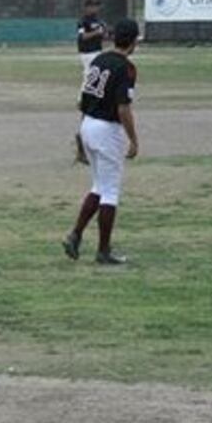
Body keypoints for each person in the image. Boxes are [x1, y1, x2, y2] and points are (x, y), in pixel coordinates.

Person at [63, 18, 141, 265]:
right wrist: (134, 140)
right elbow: (123, 109)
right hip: (107, 130)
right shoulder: (126, 67)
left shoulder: (99, 60)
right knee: (110, 191)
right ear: (133, 42)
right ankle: (103, 251)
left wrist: (81, 136)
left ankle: (76, 235)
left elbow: (82, 101)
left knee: (99, 185)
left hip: (88, 125)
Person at [77, 0, 106, 77]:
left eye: (97, 6)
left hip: (97, 50)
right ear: (87, 7)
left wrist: (104, 33)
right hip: (87, 52)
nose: (96, 8)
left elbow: (103, 34)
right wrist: (96, 32)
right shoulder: (83, 21)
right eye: (93, 6)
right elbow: (83, 36)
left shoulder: (99, 20)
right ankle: (86, 89)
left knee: (97, 74)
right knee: (90, 74)